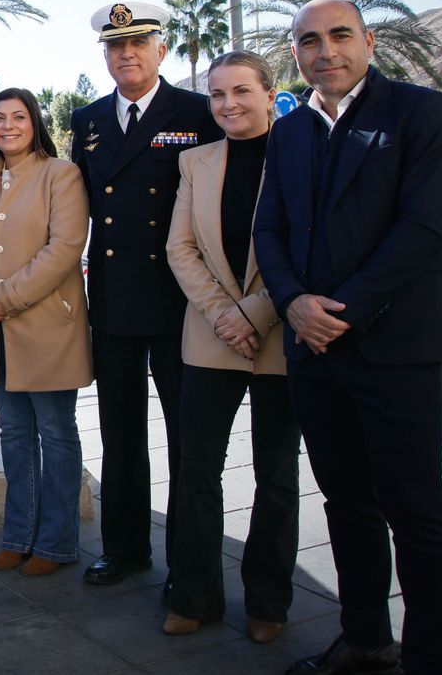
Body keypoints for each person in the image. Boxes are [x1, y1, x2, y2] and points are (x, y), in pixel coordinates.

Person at [254, 0, 442, 675]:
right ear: (296, 53)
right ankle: (367, 640)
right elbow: (270, 229)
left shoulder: (421, 114)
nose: (326, 50)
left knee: (416, 510)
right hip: (314, 352)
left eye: (340, 35)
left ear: (369, 41)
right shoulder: (288, 130)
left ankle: (430, 659)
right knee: (346, 503)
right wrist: (291, 303)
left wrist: (335, 311)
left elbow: (424, 231)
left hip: (396, 348)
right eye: (310, 40)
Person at [69, 2, 221, 588]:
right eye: (115, 46)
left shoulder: (199, 113)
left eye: (139, 43)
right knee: (120, 434)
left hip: (182, 300)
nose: (126, 54)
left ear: (162, 49)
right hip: (114, 299)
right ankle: (125, 548)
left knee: (189, 439)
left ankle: (188, 556)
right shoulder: (87, 119)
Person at [162, 51, 298, 644]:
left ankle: (268, 600)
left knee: (277, 473)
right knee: (196, 471)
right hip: (212, 337)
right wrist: (225, 315)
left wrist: (256, 313)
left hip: (281, 337)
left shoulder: (303, 155)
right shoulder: (196, 162)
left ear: (270, 94)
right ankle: (194, 595)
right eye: (217, 95)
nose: (228, 104)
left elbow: (308, 246)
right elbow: (180, 248)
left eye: (241, 91)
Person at [0, 88, 89, 578]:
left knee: (55, 434)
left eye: (19, 117)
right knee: (13, 434)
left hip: (47, 327)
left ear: (35, 123)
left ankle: (56, 542)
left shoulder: (61, 174)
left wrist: (5, 299)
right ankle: (18, 535)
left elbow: (65, 247)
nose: (8, 126)